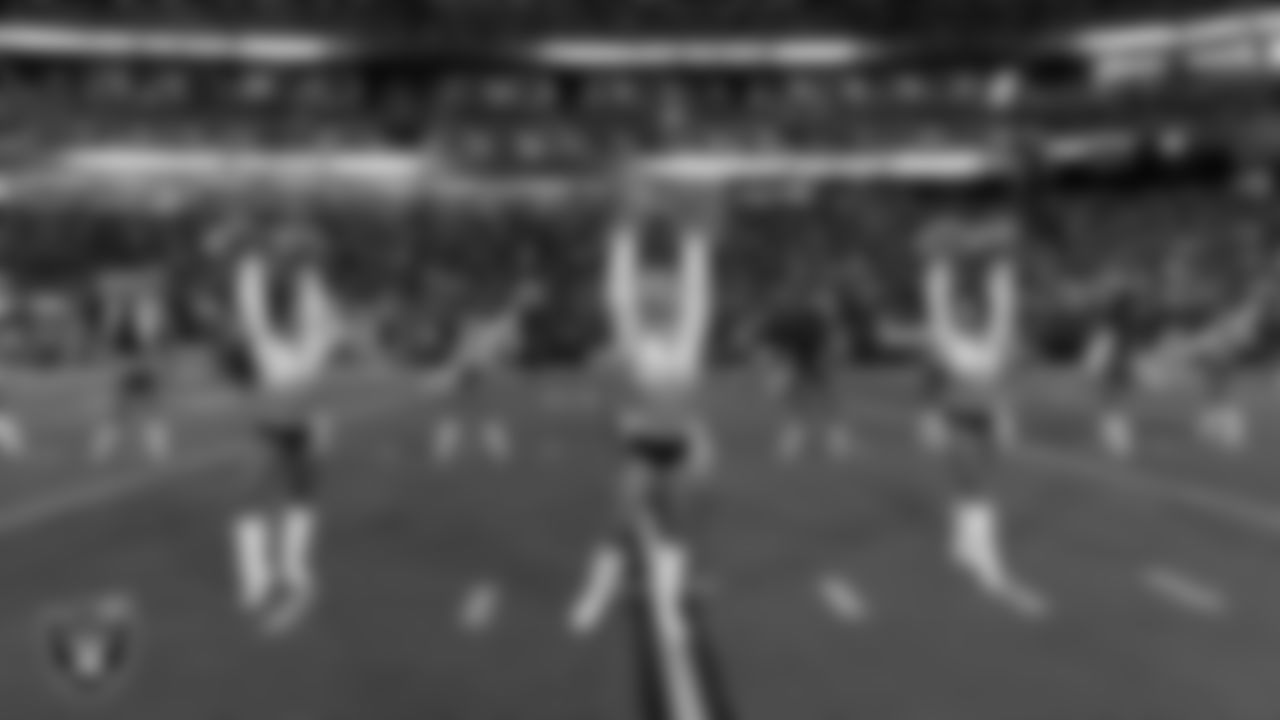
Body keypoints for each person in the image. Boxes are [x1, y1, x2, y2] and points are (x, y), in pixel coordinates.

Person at [569, 197, 718, 637]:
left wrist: (695, 244)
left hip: (679, 444)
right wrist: (623, 238)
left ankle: (667, 606)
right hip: (641, 443)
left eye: (664, 286)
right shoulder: (634, 340)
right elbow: (616, 299)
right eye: (649, 286)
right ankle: (596, 593)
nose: (657, 292)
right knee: (618, 521)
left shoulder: (688, 340)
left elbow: (700, 298)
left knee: (675, 525)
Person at [918, 214, 1046, 618]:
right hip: (959, 418)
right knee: (978, 490)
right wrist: (942, 260)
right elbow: (938, 304)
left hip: (983, 417)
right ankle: (991, 571)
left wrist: (1000, 261)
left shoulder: (992, 341)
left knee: (972, 486)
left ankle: (963, 545)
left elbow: (1005, 306)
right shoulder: (946, 341)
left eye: (969, 311)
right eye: (962, 311)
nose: (966, 315)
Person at [227, 221, 338, 637]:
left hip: (306, 423)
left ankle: (292, 569)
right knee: (247, 496)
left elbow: (309, 297)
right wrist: (258, 257)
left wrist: (294, 257)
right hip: (274, 425)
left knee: (302, 496)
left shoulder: (312, 335)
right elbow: (251, 295)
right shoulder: (270, 338)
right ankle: (257, 582)